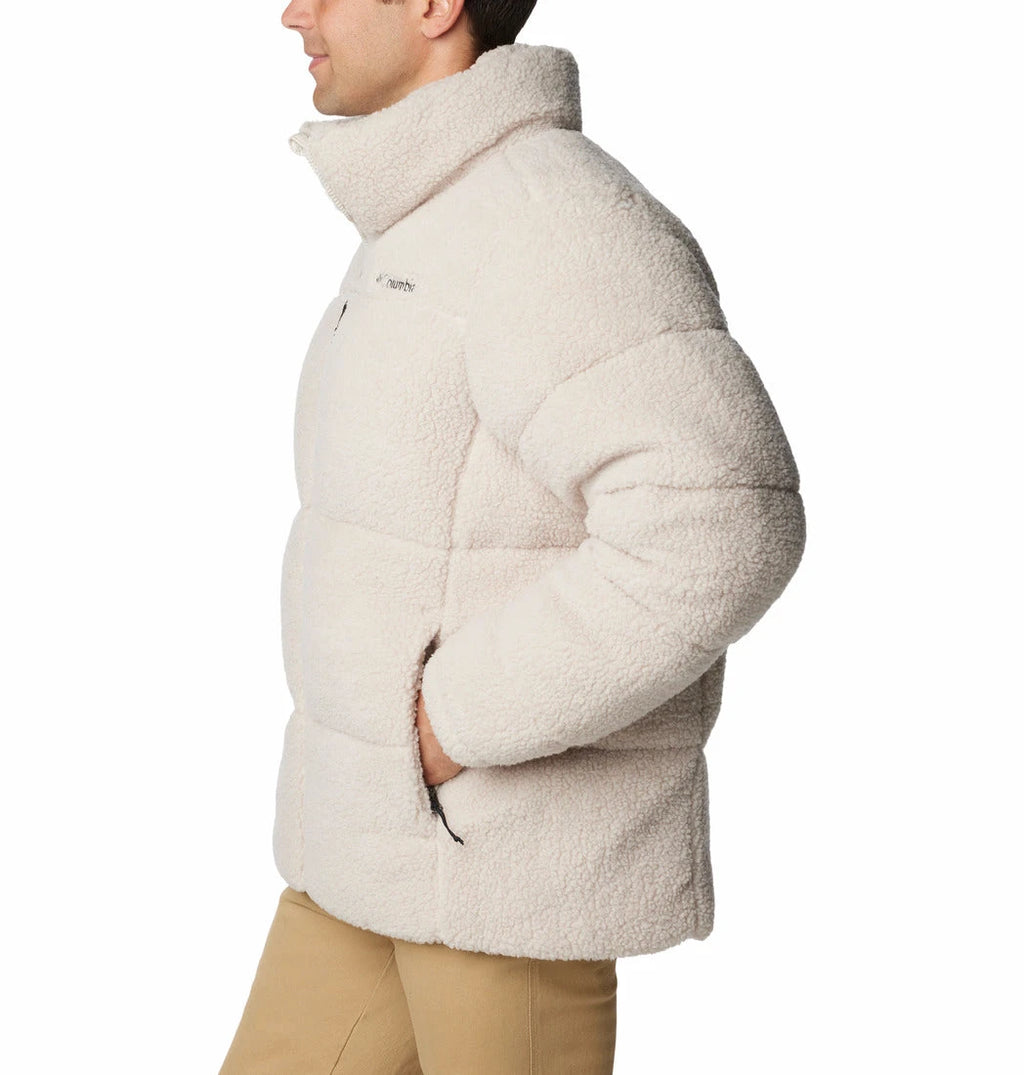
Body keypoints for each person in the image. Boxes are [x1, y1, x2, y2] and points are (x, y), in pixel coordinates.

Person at [218, 1, 807, 1072]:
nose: (293, 11)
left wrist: (458, 716)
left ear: (433, 5)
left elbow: (721, 516)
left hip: (501, 878)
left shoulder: (555, 221)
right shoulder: (431, 218)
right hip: (368, 847)